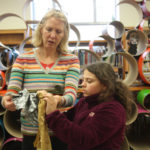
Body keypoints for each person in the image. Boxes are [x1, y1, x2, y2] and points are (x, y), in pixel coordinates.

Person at [1, 9, 80, 150]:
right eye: (49, 29)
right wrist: (8, 100)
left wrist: (57, 101)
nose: (52, 35)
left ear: (64, 35)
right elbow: (13, 92)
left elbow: (71, 96)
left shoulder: (71, 60)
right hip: (30, 133)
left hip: (60, 131)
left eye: (58, 31)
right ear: (41, 29)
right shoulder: (23, 58)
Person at [39, 62, 137, 150]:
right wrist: (53, 104)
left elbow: (84, 140)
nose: (83, 85)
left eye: (89, 81)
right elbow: (68, 119)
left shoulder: (113, 110)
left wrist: (53, 114)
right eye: (83, 80)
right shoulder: (84, 102)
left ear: (105, 85)